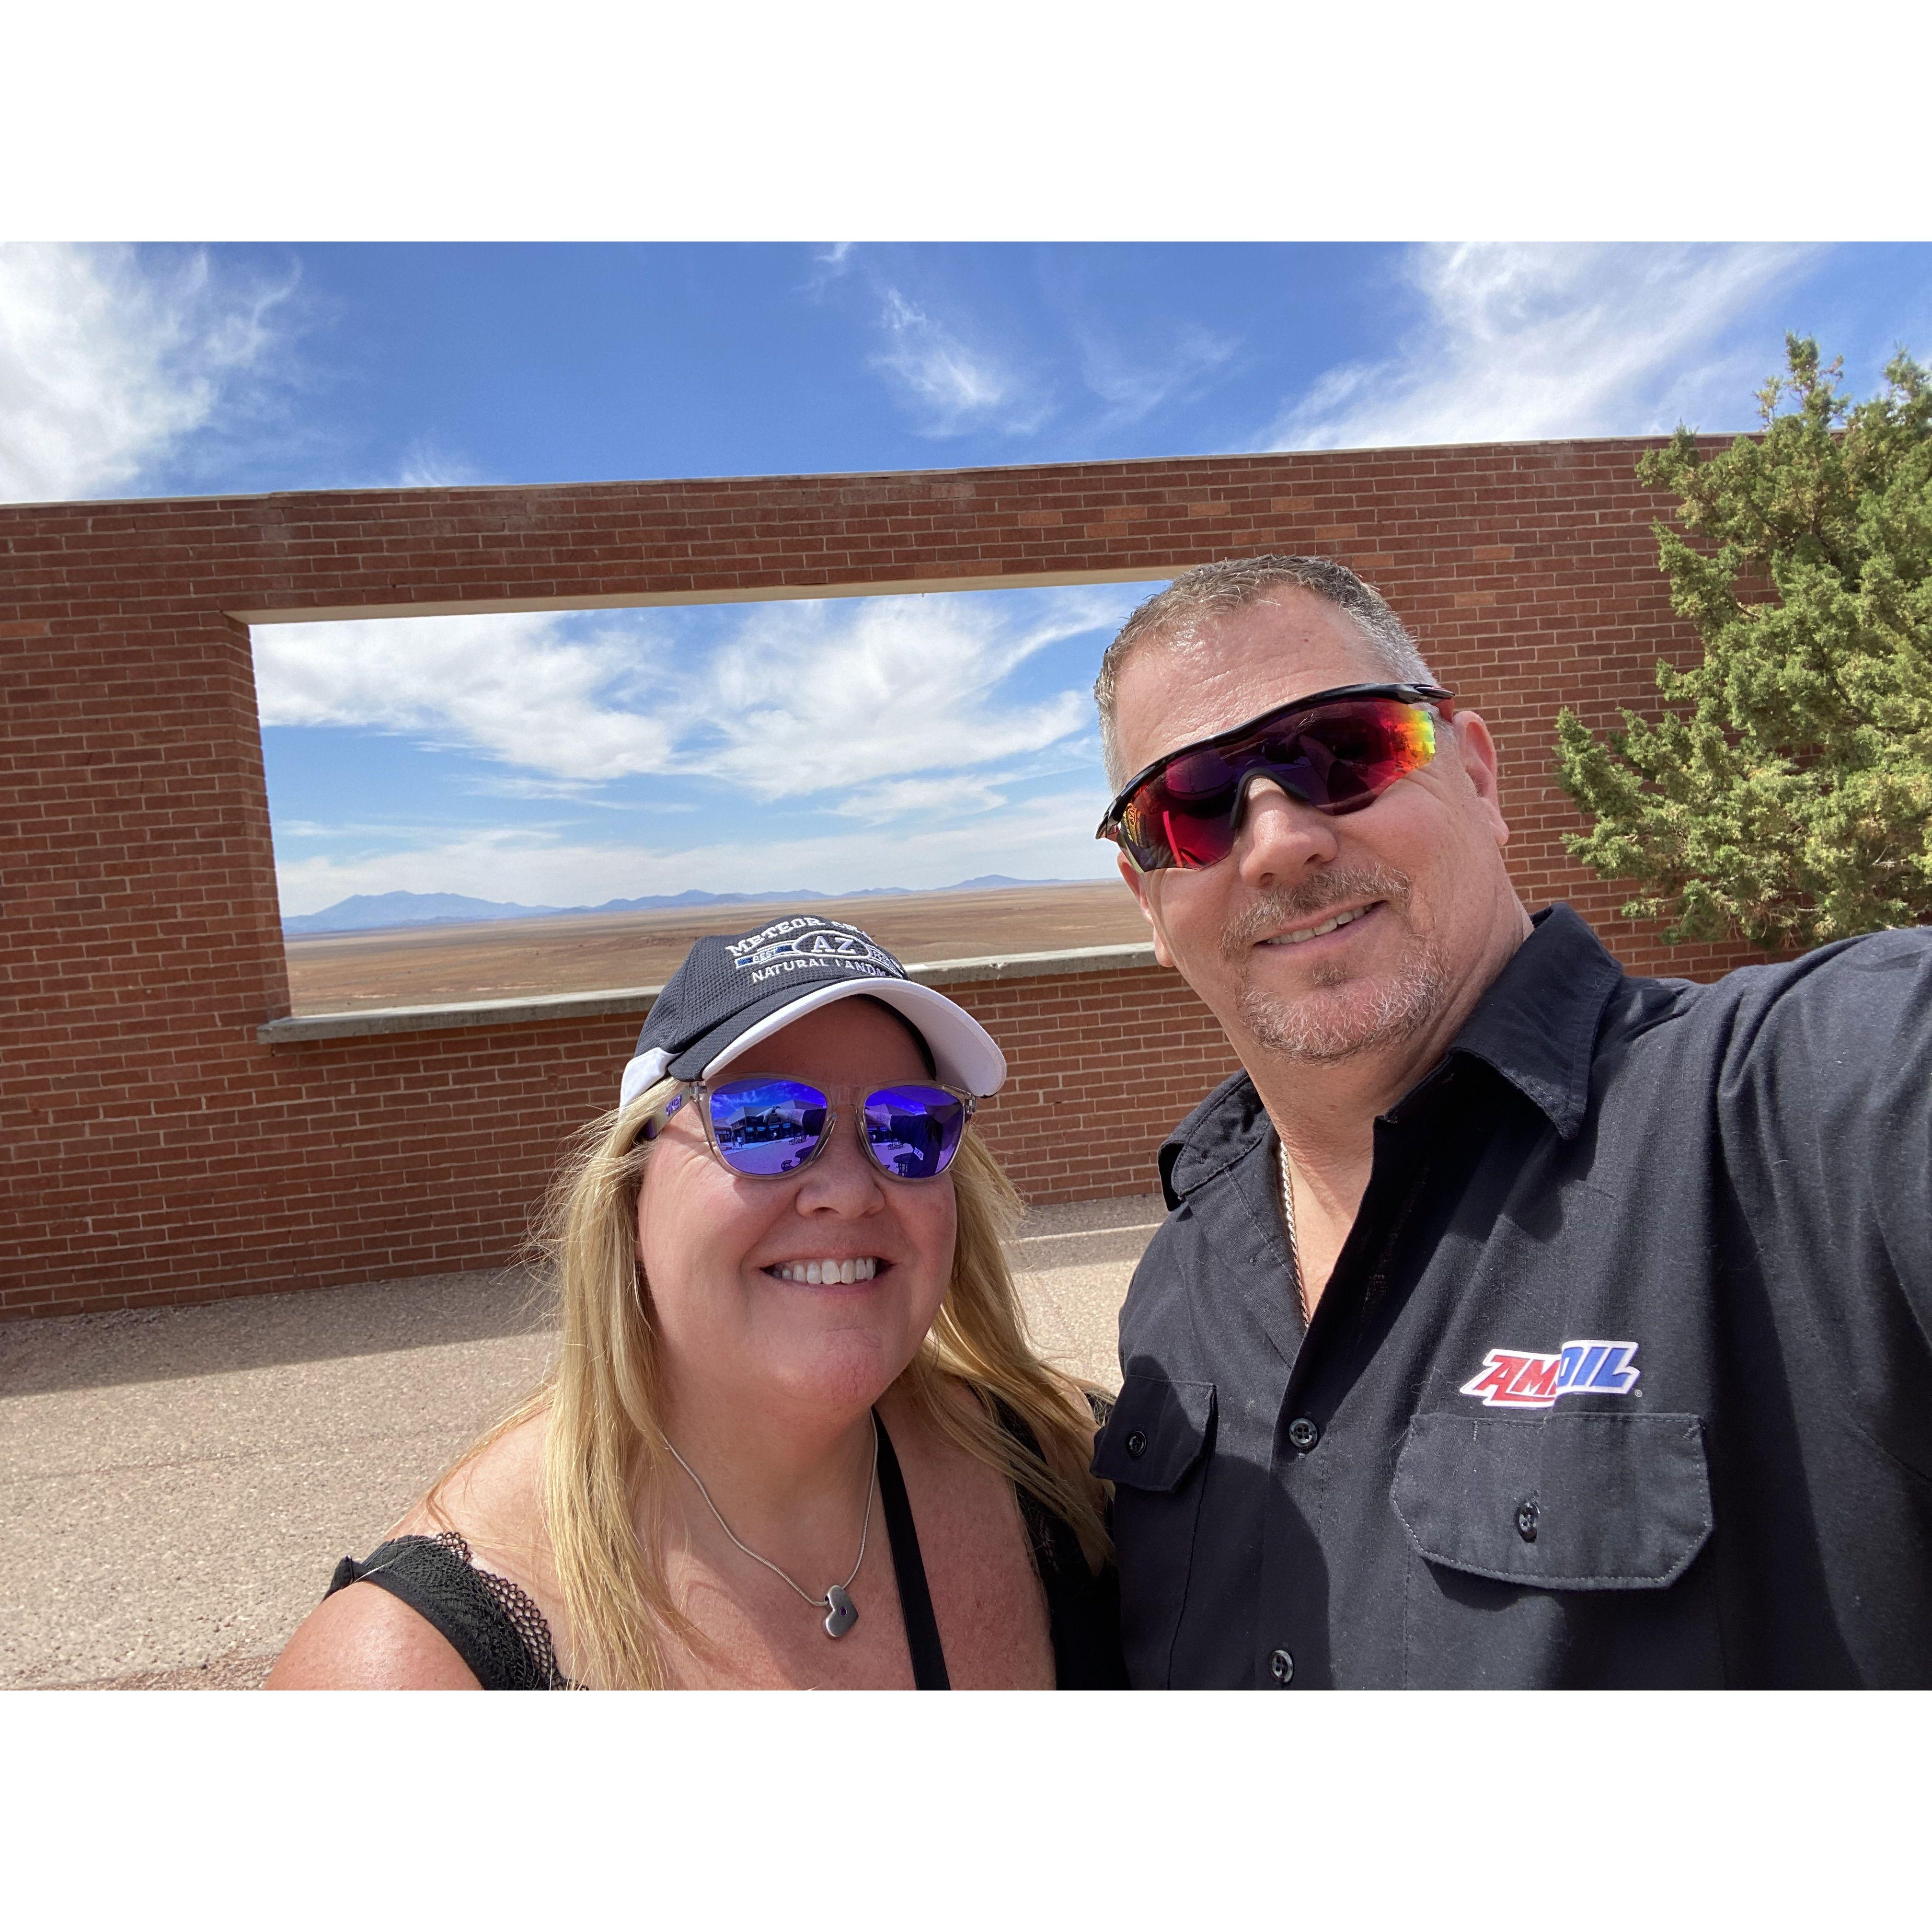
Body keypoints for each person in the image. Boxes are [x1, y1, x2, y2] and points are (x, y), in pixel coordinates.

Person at [1088, 552, 1932, 1690]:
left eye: (1345, 751)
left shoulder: (1793, 1110)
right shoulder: (1177, 1288)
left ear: (1478, 781)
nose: (1281, 839)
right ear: (1151, 903)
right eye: (1188, 808)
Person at [269, 915, 1124, 1689]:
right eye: (765, 1122)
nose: (848, 1191)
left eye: (909, 1126)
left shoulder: (1076, 1474)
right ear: (633, 1187)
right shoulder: (412, 1668)